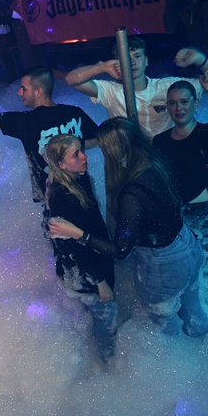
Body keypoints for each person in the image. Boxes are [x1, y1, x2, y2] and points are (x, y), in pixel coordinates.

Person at [48, 117, 208, 337]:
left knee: (164, 324)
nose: (90, 156)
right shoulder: (158, 163)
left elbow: (121, 250)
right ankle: (204, 342)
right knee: (193, 307)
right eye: (77, 153)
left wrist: (79, 234)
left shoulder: (132, 195)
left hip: (163, 265)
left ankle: (179, 357)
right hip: (188, 244)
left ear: (115, 152)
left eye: (104, 150)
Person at [152, 72, 208, 315]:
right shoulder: (160, 141)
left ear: (195, 103)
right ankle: (197, 322)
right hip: (178, 217)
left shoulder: (207, 134)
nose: (179, 108)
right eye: (173, 103)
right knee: (189, 276)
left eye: (184, 102)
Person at [0, 66, 100, 204]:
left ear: (38, 92)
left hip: (55, 201)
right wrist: (77, 146)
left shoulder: (24, 121)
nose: (19, 93)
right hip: (85, 193)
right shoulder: (75, 113)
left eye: (24, 89)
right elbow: (99, 138)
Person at [64, 36, 208, 139]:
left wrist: (200, 59)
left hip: (166, 156)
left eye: (137, 56)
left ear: (146, 61)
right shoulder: (110, 90)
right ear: (118, 62)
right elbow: (72, 80)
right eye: (126, 58)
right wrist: (102, 67)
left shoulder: (167, 86)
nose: (132, 62)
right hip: (132, 161)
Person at [43, 134, 117, 361]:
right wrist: (100, 282)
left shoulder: (77, 180)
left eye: (81, 150)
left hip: (84, 270)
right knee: (107, 322)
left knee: (93, 317)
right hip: (86, 276)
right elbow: (75, 248)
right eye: (76, 155)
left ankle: (96, 355)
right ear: (62, 164)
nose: (84, 156)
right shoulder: (65, 197)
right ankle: (108, 362)